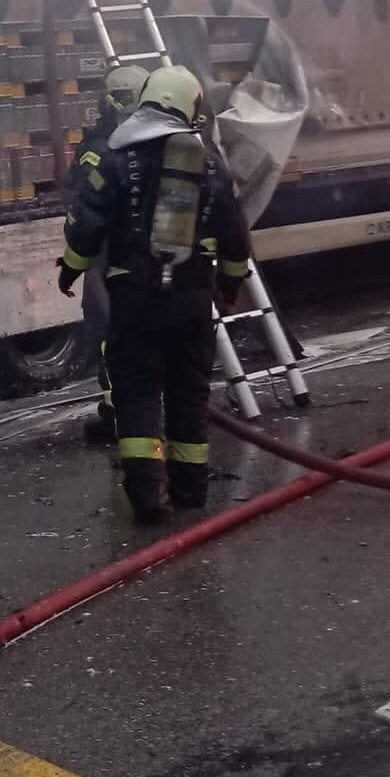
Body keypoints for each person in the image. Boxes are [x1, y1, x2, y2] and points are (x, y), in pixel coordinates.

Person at [57, 65, 250, 525]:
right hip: (191, 300)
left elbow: (87, 226)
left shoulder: (114, 159)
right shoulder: (208, 164)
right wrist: (229, 285)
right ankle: (190, 489)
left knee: (138, 391)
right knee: (189, 392)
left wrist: (71, 269)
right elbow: (235, 234)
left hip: (136, 299)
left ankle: (148, 493)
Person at [63, 63, 149, 445]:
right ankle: (130, 412)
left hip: (116, 264)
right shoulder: (161, 142)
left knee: (109, 334)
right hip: (146, 264)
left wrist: (82, 271)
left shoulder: (99, 152)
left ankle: (119, 415)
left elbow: (86, 221)